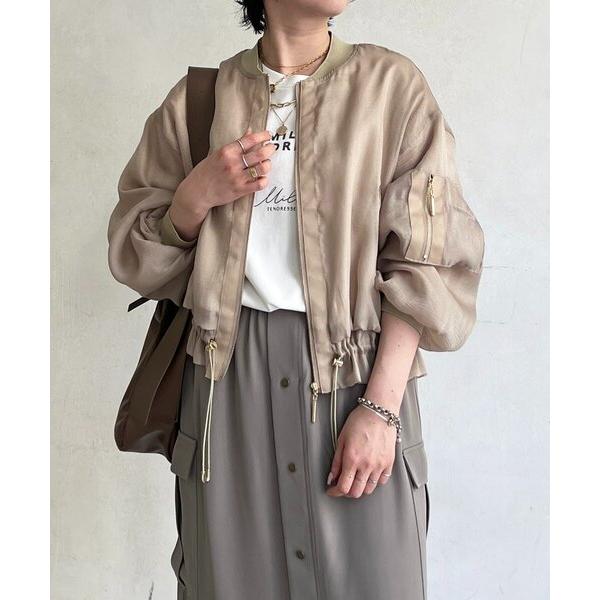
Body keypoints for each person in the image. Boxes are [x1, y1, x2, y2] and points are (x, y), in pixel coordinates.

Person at [107, 1, 485, 598]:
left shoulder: (391, 88)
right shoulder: (196, 103)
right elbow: (136, 252)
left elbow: (425, 260)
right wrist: (195, 196)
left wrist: (381, 407)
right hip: (227, 386)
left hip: (355, 382)